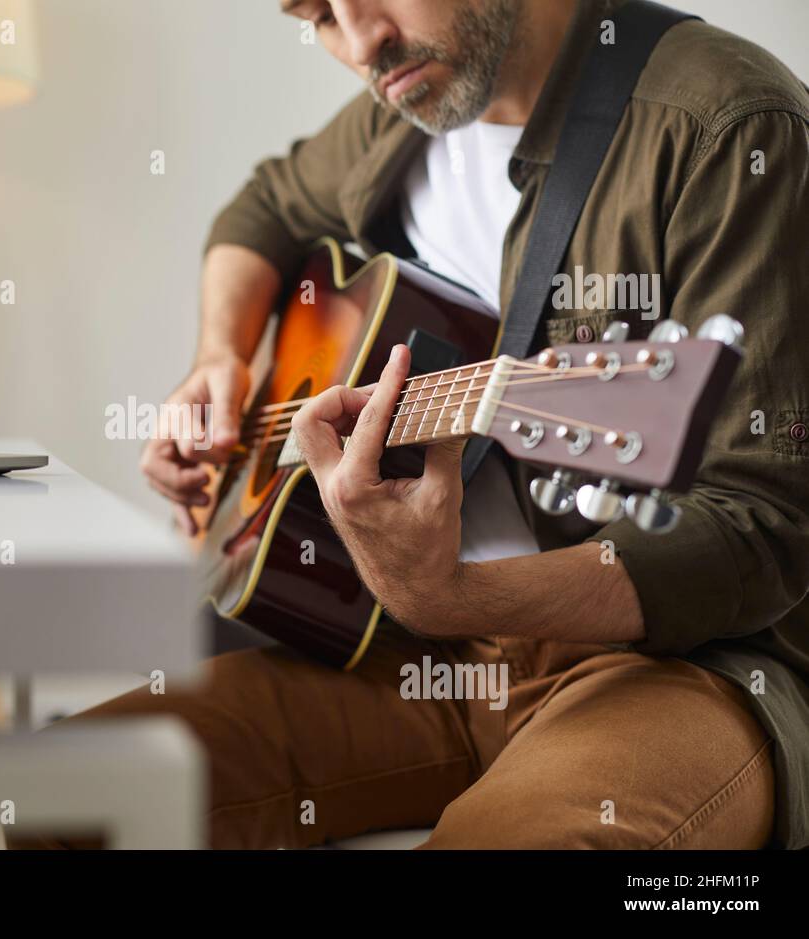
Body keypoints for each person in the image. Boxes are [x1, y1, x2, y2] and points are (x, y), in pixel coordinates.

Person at [80, 0, 809, 849]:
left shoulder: (727, 126)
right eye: (316, 15)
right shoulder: (410, 102)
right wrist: (220, 359)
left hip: (673, 671)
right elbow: (265, 206)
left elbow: (767, 530)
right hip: (409, 655)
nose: (357, 43)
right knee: (68, 793)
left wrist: (451, 592)